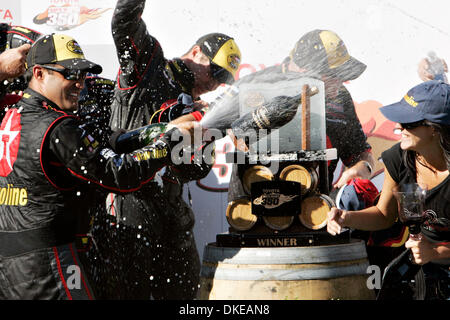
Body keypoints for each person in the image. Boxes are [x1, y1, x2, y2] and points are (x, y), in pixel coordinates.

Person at [0, 33, 197, 300]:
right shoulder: (58, 126)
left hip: (10, 263)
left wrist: (159, 130)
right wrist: (168, 145)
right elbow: (120, 173)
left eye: (83, 76)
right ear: (39, 73)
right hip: (47, 262)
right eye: (71, 74)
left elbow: (101, 142)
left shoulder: (13, 114)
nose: (80, 84)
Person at [93, 0, 241, 300]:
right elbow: (123, 23)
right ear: (196, 52)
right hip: (129, 203)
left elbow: (196, 170)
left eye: (224, 78)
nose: (216, 82)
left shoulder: (202, 109)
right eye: (215, 71)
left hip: (171, 209)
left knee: (186, 292)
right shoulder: (150, 65)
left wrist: (204, 135)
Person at [327, 80, 450, 300]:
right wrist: (345, 217)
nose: (399, 127)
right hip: (420, 263)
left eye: (408, 122)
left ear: (434, 128)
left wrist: (436, 252)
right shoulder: (399, 158)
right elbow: (384, 215)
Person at [224, 29, 374, 209]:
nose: (340, 83)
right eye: (333, 76)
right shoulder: (259, 86)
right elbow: (226, 132)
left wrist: (364, 167)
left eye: (342, 76)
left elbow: (360, 151)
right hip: (254, 205)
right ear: (306, 70)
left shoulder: (341, 97)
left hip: (316, 209)